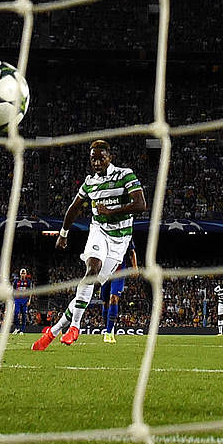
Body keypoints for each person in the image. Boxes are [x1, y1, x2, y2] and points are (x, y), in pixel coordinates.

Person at [34, 140, 146, 351]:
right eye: (93, 158)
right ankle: (75, 326)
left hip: (120, 241)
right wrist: (63, 234)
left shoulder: (125, 175)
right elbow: (73, 208)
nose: (96, 162)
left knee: (90, 287)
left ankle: (54, 330)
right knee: (91, 269)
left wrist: (111, 212)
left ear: (109, 158)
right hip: (98, 232)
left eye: (100, 158)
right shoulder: (89, 183)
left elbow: (140, 205)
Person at [100, 247, 139, 343]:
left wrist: (135, 267)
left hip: (119, 273)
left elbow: (132, 252)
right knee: (105, 303)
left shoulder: (125, 234)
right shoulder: (104, 235)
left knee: (113, 298)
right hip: (105, 273)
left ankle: (109, 333)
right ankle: (109, 328)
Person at [10, 268, 32, 333]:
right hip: (17, 299)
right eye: (22, 273)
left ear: (26, 274)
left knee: (24, 314)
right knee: (16, 313)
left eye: (24, 273)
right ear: (20, 274)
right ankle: (17, 328)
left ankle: (22, 330)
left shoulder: (28, 282)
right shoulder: (16, 281)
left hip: (25, 300)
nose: (23, 275)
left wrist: (29, 300)